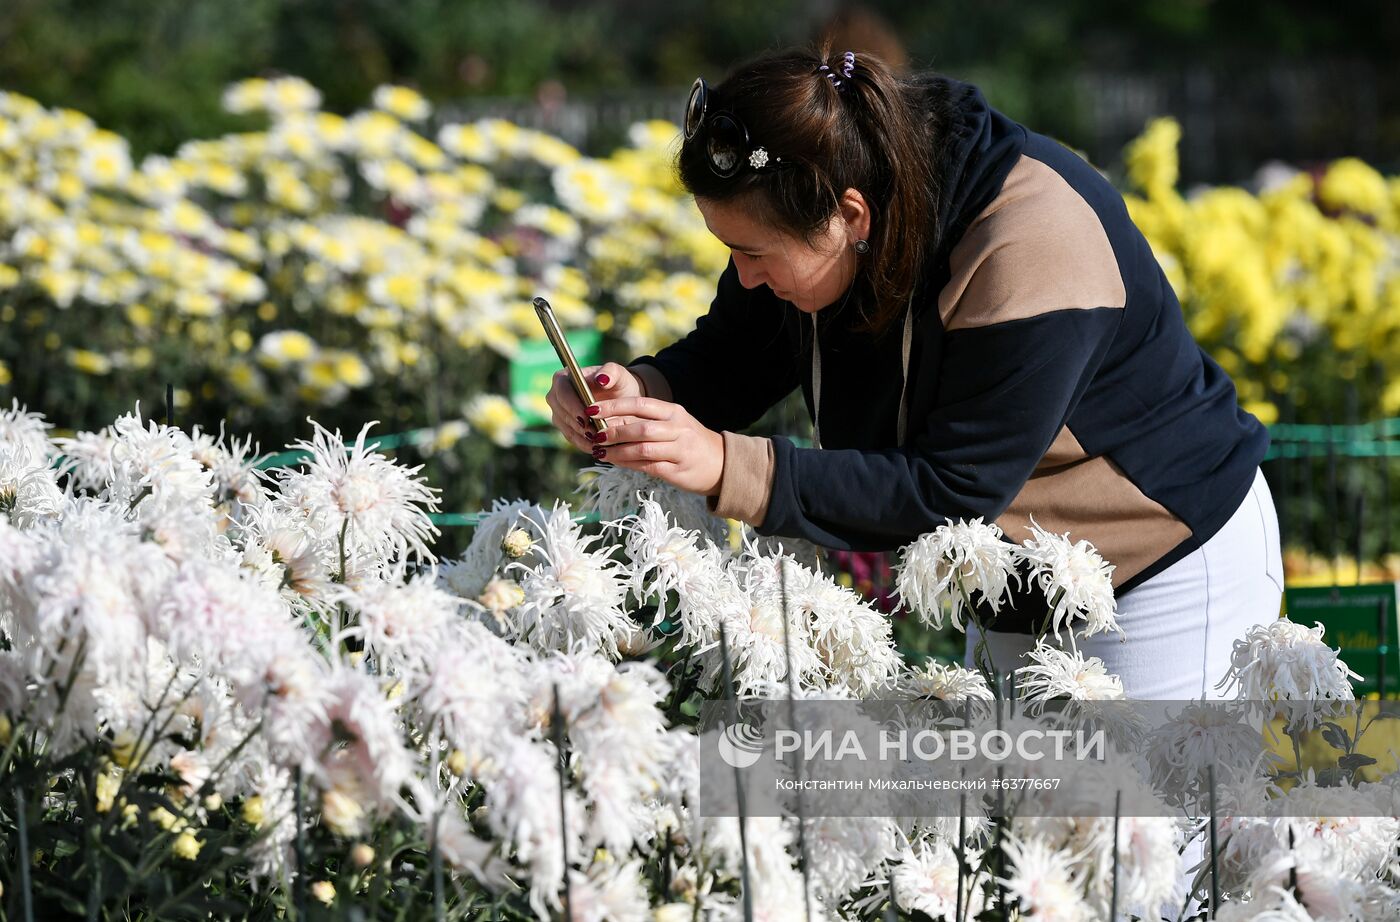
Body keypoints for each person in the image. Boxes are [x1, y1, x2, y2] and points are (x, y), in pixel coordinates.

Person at [545, 45, 1284, 700]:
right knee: (1016, 847)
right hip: (1019, 581)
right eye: (730, 248)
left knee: (1154, 849)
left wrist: (730, 466)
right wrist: (643, 390)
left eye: (755, 254)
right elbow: (736, 352)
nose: (742, 275)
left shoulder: (1031, 241)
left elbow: (953, 488)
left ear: (852, 216)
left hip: (1162, 568)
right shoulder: (836, 204)